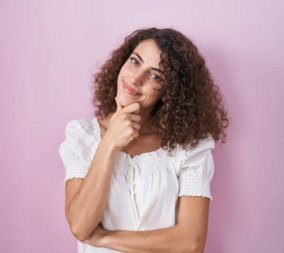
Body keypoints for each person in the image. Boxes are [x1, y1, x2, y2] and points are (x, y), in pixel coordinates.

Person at [59, 27, 228, 253]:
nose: (136, 79)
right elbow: (80, 226)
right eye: (135, 61)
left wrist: (102, 239)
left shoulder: (189, 146)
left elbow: (190, 243)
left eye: (156, 75)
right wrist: (109, 143)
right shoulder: (82, 136)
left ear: (170, 91)